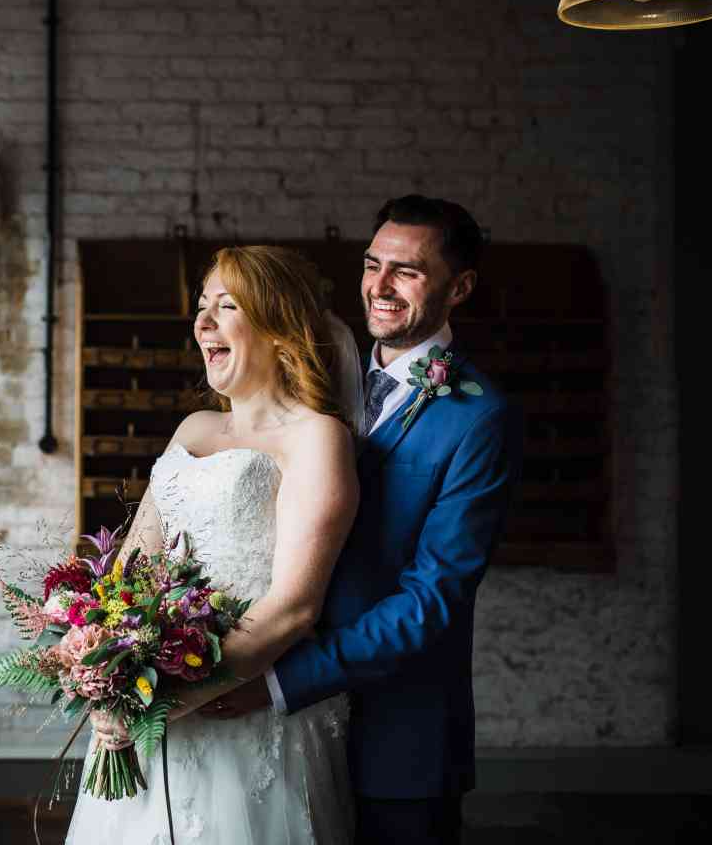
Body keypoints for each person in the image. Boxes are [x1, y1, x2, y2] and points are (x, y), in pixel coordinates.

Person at [206, 195, 523, 845]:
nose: (379, 286)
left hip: (396, 735)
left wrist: (277, 683)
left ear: (458, 287)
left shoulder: (480, 417)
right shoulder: (315, 379)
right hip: (275, 731)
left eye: (406, 271)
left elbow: (434, 598)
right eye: (371, 264)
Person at [65, 244, 365, 844]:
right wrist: (100, 665)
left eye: (227, 307)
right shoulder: (193, 428)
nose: (202, 323)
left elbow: (296, 606)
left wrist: (173, 700)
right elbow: (131, 569)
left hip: (239, 709)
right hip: (149, 705)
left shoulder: (317, 439)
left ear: (281, 331)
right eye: (202, 307)